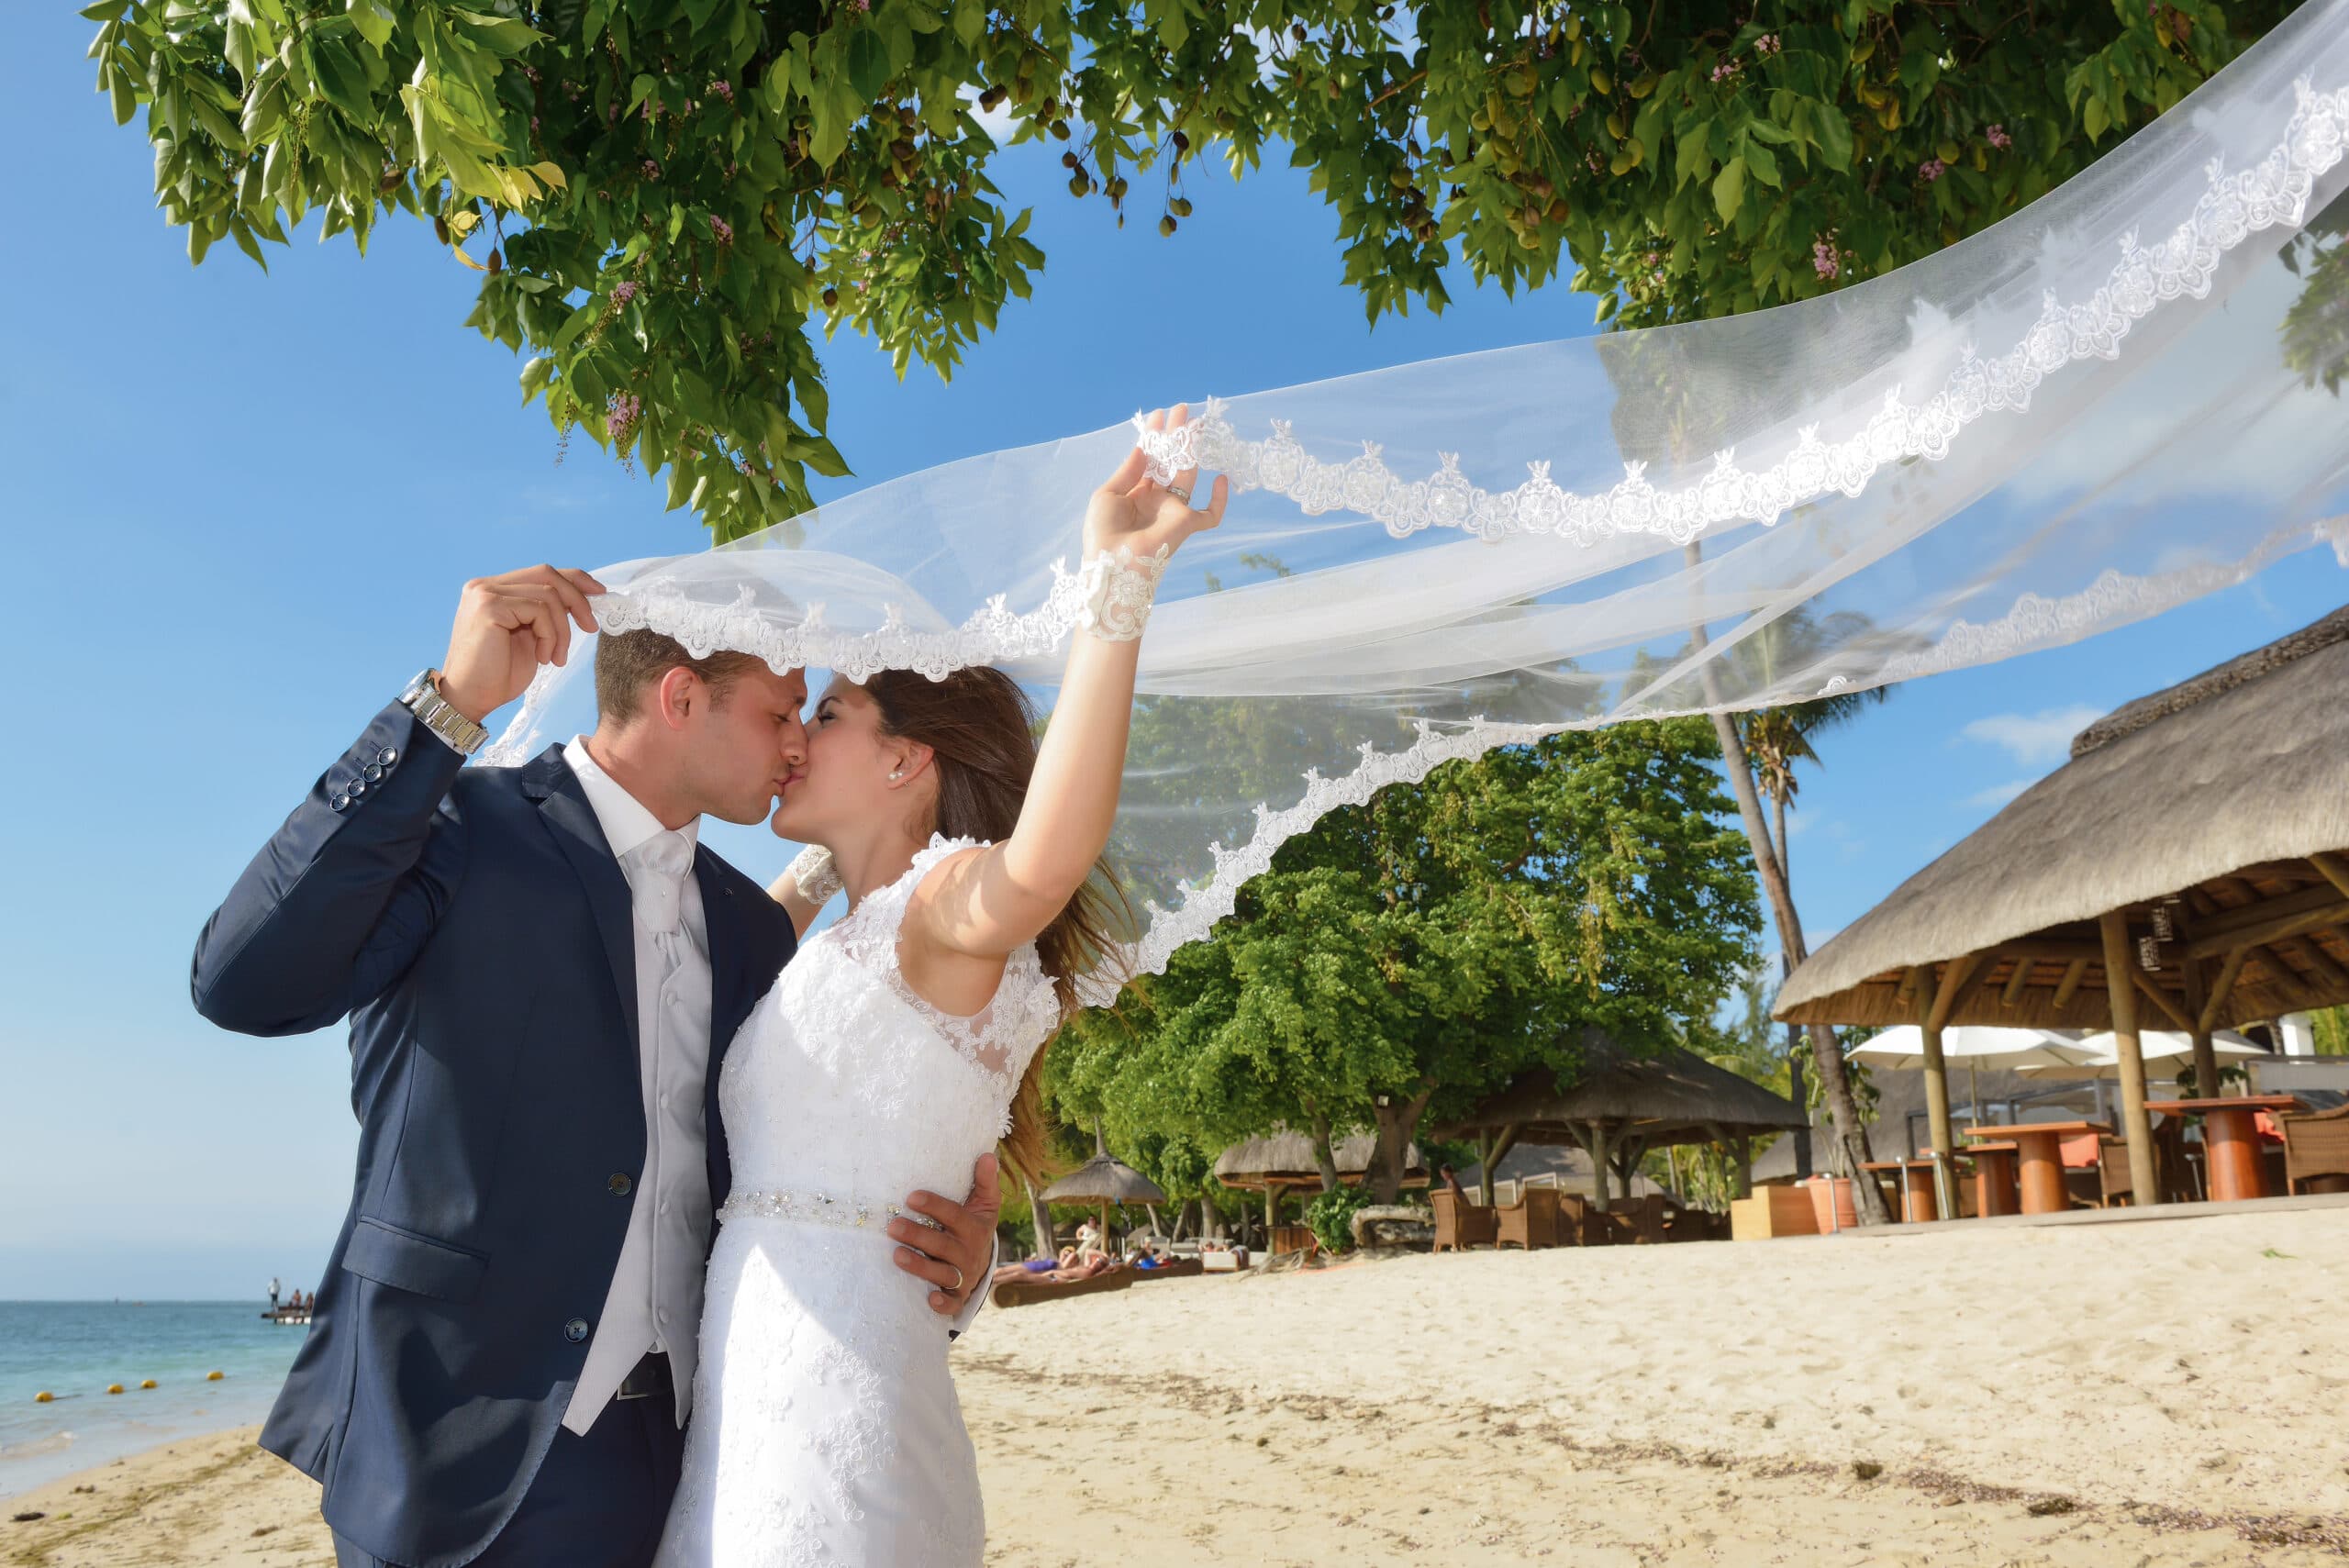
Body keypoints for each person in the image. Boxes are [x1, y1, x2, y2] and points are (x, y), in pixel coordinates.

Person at [190, 565, 1001, 1568]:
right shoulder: (457, 828)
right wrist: (450, 703)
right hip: (449, 1450)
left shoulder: (751, 926)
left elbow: (801, 1157)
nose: (797, 741)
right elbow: (241, 983)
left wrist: (962, 1260)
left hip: (684, 1464)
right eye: (782, 708)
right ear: (681, 695)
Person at [651, 406, 1222, 1566]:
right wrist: (832, 834)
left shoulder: (944, 906)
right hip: (744, 1406)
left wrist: (1116, 585)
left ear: (909, 757)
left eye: (827, 712)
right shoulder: (843, 927)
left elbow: (1044, 857)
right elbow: (775, 921)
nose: (797, 733)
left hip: (840, 1414)